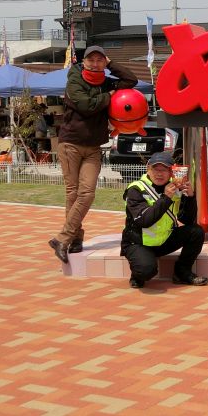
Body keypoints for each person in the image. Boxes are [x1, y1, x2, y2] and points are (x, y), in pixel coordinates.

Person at [49, 46, 137, 263]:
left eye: (100, 60)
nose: (96, 64)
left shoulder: (106, 81)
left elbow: (131, 80)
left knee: (86, 193)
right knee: (73, 193)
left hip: (93, 147)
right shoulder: (75, 80)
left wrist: (111, 64)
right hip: (71, 144)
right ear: (84, 62)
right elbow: (86, 105)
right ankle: (75, 238)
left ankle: (63, 238)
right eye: (92, 60)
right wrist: (109, 95)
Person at [121, 152, 208, 288]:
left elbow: (188, 220)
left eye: (164, 170)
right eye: (155, 169)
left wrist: (190, 197)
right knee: (146, 270)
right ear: (148, 169)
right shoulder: (136, 189)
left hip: (163, 240)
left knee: (196, 232)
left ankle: (182, 273)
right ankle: (137, 273)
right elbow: (144, 221)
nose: (159, 174)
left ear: (171, 172)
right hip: (138, 242)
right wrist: (166, 198)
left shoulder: (175, 188)